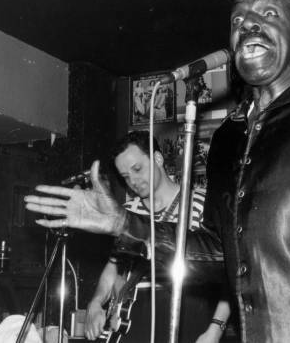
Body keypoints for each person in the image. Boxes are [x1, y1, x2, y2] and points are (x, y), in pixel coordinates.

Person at [26, 0, 290, 342]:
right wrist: (123, 224)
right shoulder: (227, 138)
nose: (249, 24)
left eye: (269, 13)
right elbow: (219, 254)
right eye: (238, 19)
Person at [82, 131, 228, 342]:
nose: (133, 180)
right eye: (125, 177)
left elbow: (230, 275)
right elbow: (114, 266)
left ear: (158, 159)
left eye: (137, 169)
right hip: (136, 317)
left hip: (189, 312)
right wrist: (95, 303)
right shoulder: (128, 211)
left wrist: (216, 328)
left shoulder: (201, 204)